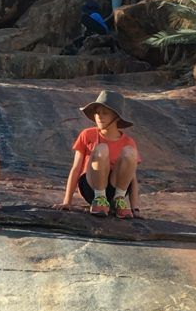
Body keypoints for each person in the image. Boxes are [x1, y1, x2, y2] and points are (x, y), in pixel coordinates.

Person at [61, 88, 142, 219]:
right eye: (97, 113)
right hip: (91, 187)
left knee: (129, 152)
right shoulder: (87, 134)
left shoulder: (128, 141)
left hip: (116, 189)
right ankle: (99, 199)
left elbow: (132, 177)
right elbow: (76, 168)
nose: (99, 117)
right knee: (102, 149)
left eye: (105, 113)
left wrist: (135, 208)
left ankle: (119, 201)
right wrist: (67, 202)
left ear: (116, 117)